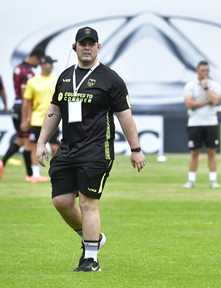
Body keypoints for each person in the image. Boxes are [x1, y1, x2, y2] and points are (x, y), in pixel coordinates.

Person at [35, 26, 146, 272]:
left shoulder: (111, 78)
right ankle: (94, 238)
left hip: (97, 150)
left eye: (91, 43)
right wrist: (41, 142)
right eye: (82, 43)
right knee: (61, 201)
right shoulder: (64, 77)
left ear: (98, 47)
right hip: (67, 149)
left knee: (88, 201)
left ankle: (91, 258)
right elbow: (54, 111)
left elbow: (125, 116)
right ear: (74, 47)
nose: (87, 47)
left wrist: (135, 148)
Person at [0, 48, 44, 180]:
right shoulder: (29, 72)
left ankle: (2, 162)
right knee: (28, 143)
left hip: (15, 106)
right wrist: (27, 117)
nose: (39, 64)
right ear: (34, 57)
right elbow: (26, 95)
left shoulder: (18, 68)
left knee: (20, 139)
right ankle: (31, 174)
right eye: (39, 60)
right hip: (24, 108)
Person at [183, 60, 221, 189]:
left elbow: (216, 100)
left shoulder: (214, 85)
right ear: (197, 71)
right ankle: (191, 180)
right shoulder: (190, 85)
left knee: (212, 152)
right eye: (203, 70)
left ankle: (213, 180)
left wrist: (206, 89)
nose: (205, 73)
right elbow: (189, 104)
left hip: (211, 122)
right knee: (195, 152)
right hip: (195, 123)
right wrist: (207, 101)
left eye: (207, 70)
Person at [21, 55, 60, 183]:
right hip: (37, 120)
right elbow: (27, 102)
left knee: (55, 148)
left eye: (52, 63)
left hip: (53, 120)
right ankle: (36, 175)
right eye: (49, 63)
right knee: (34, 147)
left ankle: (58, 172)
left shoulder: (57, 80)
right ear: (43, 64)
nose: (52, 66)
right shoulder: (33, 81)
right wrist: (26, 119)